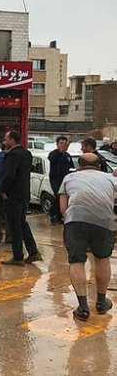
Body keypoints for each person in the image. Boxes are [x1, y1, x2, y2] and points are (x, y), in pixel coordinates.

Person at [58, 152, 117, 321]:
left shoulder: (69, 178)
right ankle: (100, 302)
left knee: (76, 260)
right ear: (99, 166)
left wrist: (69, 218)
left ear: (78, 166)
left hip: (75, 220)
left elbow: (63, 208)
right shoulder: (109, 179)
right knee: (102, 258)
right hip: (104, 221)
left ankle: (83, 308)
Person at [0, 131, 41, 266]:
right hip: (24, 195)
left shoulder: (12, 155)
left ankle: (17, 256)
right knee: (22, 223)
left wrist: (3, 190)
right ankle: (33, 252)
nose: (4, 143)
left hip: (13, 196)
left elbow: (9, 175)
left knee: (14, 226)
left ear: (12, 140)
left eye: (6, 139)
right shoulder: (26, 153)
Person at [47, 136, 74, 224]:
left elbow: (71, 167)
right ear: (57, 144)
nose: (63, 145)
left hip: (66, 179)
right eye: (61, 143)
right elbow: (52, 159)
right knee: (59, 195)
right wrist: (60, 153)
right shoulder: (53, 154)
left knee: (64, 197)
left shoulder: (67, 155)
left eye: (65, 144)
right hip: (56, 179)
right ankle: (53, 213)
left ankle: (56, 214)